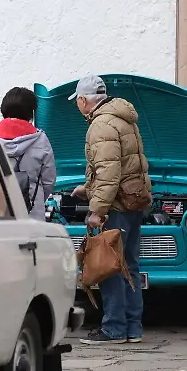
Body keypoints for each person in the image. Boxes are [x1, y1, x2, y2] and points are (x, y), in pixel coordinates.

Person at [69, 75, 152, 345]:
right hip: (133, 202)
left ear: (83, 100)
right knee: (130, 264)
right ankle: (133, 327)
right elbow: (121, 166)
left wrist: (96, 209)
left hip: (115, 206)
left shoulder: (100, 125)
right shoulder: (122, 118)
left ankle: (114, 328)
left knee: (110, 265)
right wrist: (88, 186)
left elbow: (109, 172)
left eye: (77, 101)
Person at [0, 87, 56, 220]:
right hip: (32, 213)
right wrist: (36, 198)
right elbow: (48, 180)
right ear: (31, 111)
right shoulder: (40, 139)